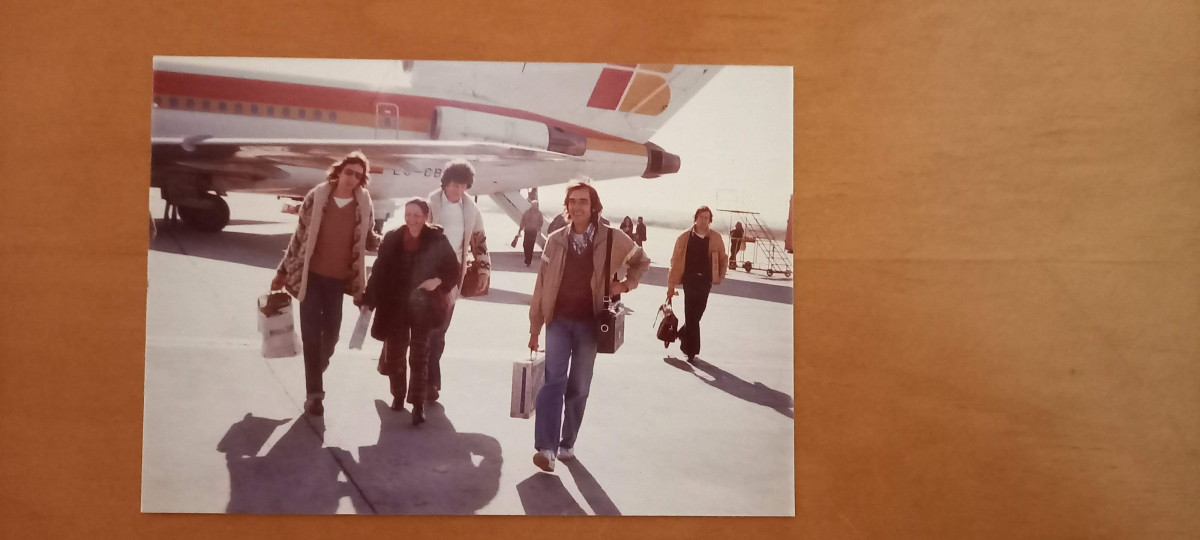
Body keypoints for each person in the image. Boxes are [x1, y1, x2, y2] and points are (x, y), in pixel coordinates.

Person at [527, 179, 651, 472]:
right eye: (572, 201)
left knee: (579, 385)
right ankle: (546, 449)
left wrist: (625, 285)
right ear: (567, 207)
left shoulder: (612, 238)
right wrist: (535, 327)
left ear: (594, 206)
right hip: (557, 320)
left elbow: (642, 261)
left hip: (590, 324)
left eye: (583, 201)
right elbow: (541, 285)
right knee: (552, 381)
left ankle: (567, 442)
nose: (578, 206)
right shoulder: (556, 238)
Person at [271, 151, 381, 416]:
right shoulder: (318, 196)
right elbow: (298, 237)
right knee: (311, 335)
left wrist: (393, 242)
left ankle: (315, 367)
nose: (352, 178)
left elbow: (368, 238)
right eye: (349, 172)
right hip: (311, 277)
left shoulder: (363, 203)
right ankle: (314, 395)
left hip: (337, 280)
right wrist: (282, 271)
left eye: (358, 175)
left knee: (330, 336)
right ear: (339, 171)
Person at [362, 198, 459, 425]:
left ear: (426, 217)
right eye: (408, 214)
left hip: (424, 306)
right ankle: (397, 395)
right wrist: (368, 299)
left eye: (417, 215)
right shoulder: (392, 238)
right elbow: (378, 273)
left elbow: (453, 270)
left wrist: (438, 281)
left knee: (419, 356)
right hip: (395, 305)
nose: (412, 219)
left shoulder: (437, 239)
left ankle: (417, 405)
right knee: (395, 353)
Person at [425, 159, 490, 402]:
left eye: (463, 186)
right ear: (445, 183)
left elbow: (480, 242)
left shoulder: (471, 209)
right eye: (455, 185)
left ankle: (429, 381)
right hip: (426, 276)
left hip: (453, 278)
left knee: (439, 332)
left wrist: (483, 271)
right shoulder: (429, 204)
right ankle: (425, 380)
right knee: (423, 331)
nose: (458, 191)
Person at [666, 206, 728, 364]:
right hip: (689, 280)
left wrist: (720, 276)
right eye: (701, 217)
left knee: (697, 314)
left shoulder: (716, 238)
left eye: (707, 218)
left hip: (706, 281)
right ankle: (691, 351)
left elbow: (723, 258)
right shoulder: (684, 237)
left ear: (710, 220)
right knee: (691, 315)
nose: (704, 220)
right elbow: (674, 261)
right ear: (695, 218)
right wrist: (671, 286)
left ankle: (681, 333)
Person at [517, 200, 544, 266]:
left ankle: (528, 260)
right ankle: (527, 258)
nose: (534, 206)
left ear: (537, 206)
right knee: (525, 245)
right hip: (527, 231)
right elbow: (523, 221)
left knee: (531, 246)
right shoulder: (527, 212)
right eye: (533, 205)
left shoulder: (539, 213)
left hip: (533, 231)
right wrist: (520, 230)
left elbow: (541, 222)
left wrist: (538, 229)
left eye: (535, 205)